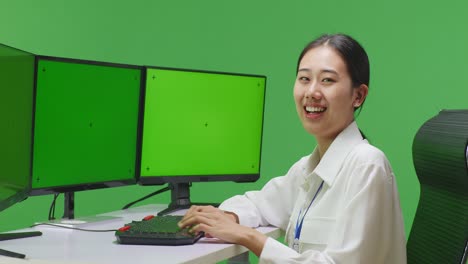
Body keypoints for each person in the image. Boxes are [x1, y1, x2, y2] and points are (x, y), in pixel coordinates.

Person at [178, 33, 407, 263]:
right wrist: (227, 216)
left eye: (327, 80)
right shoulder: (307, 169)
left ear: (358, 95)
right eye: (304, 79)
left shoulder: (367, 165)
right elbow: (259, 204)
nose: (311, 92)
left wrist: (250, 237)